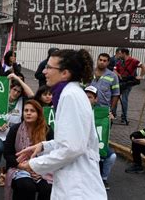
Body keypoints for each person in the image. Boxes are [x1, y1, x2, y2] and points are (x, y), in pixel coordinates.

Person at [16, 49, 107, 199]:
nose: (44, 71)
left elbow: (72, 148)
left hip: (78, 188)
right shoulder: (70, 93)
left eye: (49, 67)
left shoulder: (70, 96)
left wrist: (35, 164)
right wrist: (44, 146)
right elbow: (74, 139)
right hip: (75, 184)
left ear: (65, 73)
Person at [0, 76, 33, 187]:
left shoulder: (22, 102)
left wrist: (18, 79)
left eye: (19, 91)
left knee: (15, 151)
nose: (16, 93)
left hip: (13, 136)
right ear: (9, 88)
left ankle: (7, 174)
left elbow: (32, 95)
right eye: (14, 89)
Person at [4, 100, 54, 200]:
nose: (28, 113)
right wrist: (22, 166)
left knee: (48, 188)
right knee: (27, 186)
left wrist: (39, 168)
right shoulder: (15, 129)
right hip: (19, 168)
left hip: (42, 168)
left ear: (38, 114)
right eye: (26, 110)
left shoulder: (47, 130)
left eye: (32, 111)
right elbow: (7, 154)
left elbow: (52, 154)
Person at [84, 86, 117, 190]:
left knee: (111, 156)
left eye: (90, 97)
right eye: (84, 96)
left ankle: (103, 179)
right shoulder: (75, 110)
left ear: (95, 99)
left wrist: (109, 119)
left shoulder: (102, 112)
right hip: (81, 145)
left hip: (97, 143)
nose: (86, 99)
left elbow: (105, 132)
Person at [114, 48, 145, 125]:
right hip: (120, 82)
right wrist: (118, 74)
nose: (119, 55)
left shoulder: (133, 61)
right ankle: (114, 114)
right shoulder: (120, 61)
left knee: (124, 99)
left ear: (124, 53)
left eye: (120, 53)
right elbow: (115, 69)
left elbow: (144, 67)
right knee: (115, 97)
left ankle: (124, 117)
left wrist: (141, 76)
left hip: (128, 83)